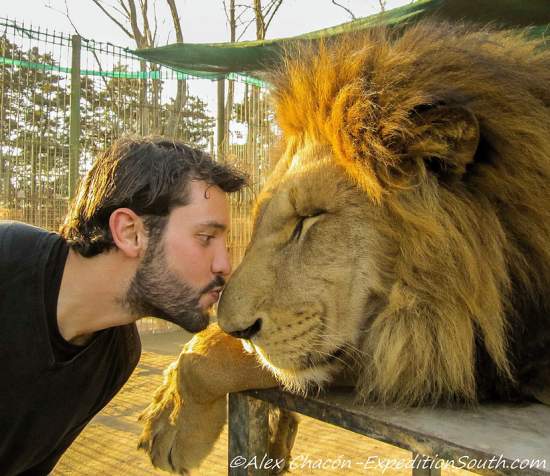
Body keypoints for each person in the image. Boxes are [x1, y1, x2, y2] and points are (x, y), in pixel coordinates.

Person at [0, 136, 247, 475]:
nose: (224, 265)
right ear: (130, 232)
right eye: (205, 238)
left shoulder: (117, 355)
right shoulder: (6, 261)